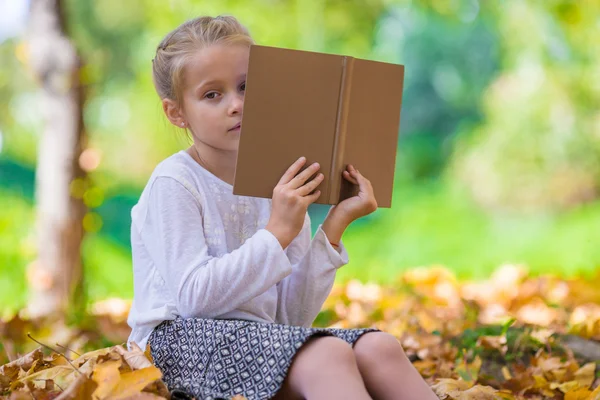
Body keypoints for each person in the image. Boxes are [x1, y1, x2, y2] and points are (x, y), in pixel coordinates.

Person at [126, 14, 437, 400]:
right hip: (174, 345)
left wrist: (335, 225)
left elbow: (290, 319)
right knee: (325, 353)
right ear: (177, 112)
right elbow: (193, 298)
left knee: (379, 348)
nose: (236, 104)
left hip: (258, 341)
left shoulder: (279, 181)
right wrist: (277, 232)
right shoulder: (175, 182)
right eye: (212, 94)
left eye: (245, 87)